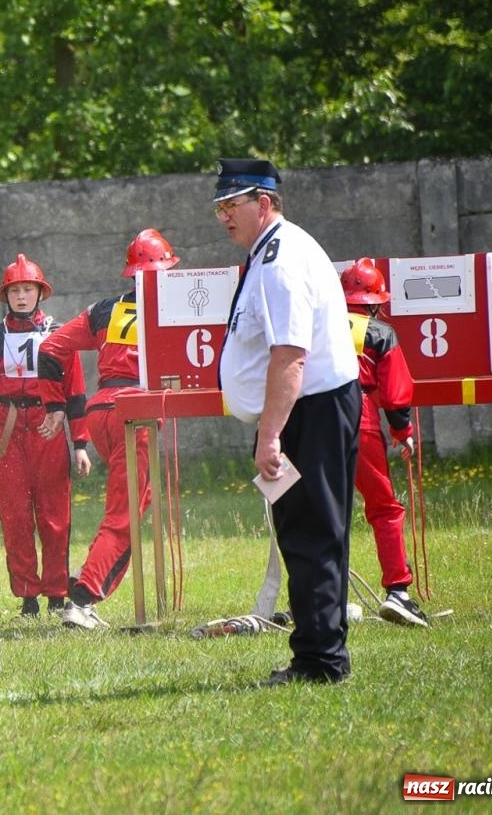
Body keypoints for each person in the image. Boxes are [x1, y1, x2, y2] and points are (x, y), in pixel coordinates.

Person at [214, 158, 361, 685]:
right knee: (307, 532)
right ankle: (320, 650)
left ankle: (320, 661)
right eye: (220, 207)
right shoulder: (270, 251)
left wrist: (271, 434)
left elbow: (290, 356)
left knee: (310, 535)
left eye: (234, 204)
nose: (225, 215)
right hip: (306, 407)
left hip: (309, 411)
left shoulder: (279, 259)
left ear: (265, 202)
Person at [34, 230, 179, 630]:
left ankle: (83, 587)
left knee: (126, 507)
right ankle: (82, 599)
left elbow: (49, 348)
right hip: (137, 412)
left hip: (102, 411)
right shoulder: (174, 307)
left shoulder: (104, 310)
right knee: (125, 513)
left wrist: (54, 405)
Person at [0, 254, 89, 618]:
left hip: (47, 425)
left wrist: (81, 443)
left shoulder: (59, 335)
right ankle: (27, 596)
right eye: (15, 290)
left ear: (40, 293)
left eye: (28, 289)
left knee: (54, 515)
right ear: (5, 296)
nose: (22, 296)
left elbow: (75, 391)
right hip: (7, 429)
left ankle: (56, 593)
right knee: (16, 516)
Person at [339, 258, 428, 627]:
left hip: (308, 416)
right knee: (384, 507)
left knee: (323, 512)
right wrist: (403, 432)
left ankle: (326, 598)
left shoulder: (315, 323)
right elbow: (394, 392)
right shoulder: (379, 331)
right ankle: (398, 593)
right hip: (355, 415)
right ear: (375, 301)